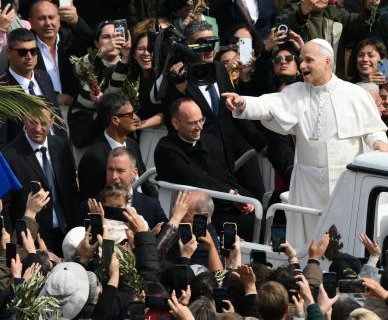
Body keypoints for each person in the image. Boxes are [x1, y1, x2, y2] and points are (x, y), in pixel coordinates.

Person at [223, 39, 388, 249]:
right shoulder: (295, 92)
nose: (302, 66)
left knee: (343, 240)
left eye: (309, 60)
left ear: (327, 62)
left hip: (344, 181)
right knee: (307, 237)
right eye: (301, 60)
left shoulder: (355, 94)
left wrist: (379, 144)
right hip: (307, 183)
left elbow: (373, 130)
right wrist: (243, 102)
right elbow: (268, 104)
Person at [154, 98, 260, 240]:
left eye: (201, 120)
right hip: (197, 214)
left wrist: (247, 198)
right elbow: (195, 178)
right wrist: (232, 195)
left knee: (259, 211)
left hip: (224, 204)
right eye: (192, 123)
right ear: (175, 123)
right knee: (250, 223)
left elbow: (226, 177)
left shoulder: (210, 141)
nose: (199, 127)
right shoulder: (166, 149)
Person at [2, 107, 80, 255]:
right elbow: (5, 208)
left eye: (43, 123)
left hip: (67, 235)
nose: (38, 128)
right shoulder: (9, 155)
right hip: (33, 242)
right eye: (33, 122)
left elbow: (72, 192)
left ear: (51, 122)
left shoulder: (62, 146)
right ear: (24, 119)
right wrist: (12, 250)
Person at [287, 0, 375, 74]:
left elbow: (357, 24)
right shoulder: (292, 11)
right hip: (302, 77)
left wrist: (368, 9)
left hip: (331, 78)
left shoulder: (337, 14)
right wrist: (303, 12)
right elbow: (289, 31)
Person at [77, 93, 148, 200]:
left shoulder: (132, 144)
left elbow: (144, 183)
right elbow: (91, 200)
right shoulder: (94, 157)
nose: (136, 118)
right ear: (115, 120)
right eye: (130, 114)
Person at [0, 28, 59, 146]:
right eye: (22, 52)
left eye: (33, 51)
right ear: (8, 53)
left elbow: (57, 121)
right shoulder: (3, 89)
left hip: (53, 151)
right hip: (20, 158)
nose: (29, 56)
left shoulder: (43, 77)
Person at [30, 0, 93, 106]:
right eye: (41, 18)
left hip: (76, 110)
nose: (48, 23)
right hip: (41, 111)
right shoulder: (25, 47)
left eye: (51, 17)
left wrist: (76, 21)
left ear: (59, 19)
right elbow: (20, 81)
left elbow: (92, 43)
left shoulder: (71, 40)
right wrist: (53, 98)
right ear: (31, 23)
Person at [90, 146, 166, 229]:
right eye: (110, 169)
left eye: (120, 171)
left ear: (134, 172)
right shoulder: (90, 207)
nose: (114, 176)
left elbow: (168, 239)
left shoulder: (151, 206)